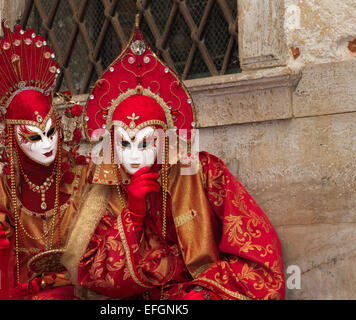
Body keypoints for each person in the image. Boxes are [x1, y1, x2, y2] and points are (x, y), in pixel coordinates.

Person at [60, 19, 285, 300]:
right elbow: (94, 277)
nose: (133, 155)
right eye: (123, 143)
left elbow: (258, 250)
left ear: (164, 140)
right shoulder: (106, 189)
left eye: (145, 143)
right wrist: (133, 215)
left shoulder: (203, 174)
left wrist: (201, 292)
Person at [0, 22, 88, 300]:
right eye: (33, 137)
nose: (47, 145)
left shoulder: (82, 177)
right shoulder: (1, 189)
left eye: (51, 132)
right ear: (13, 140)